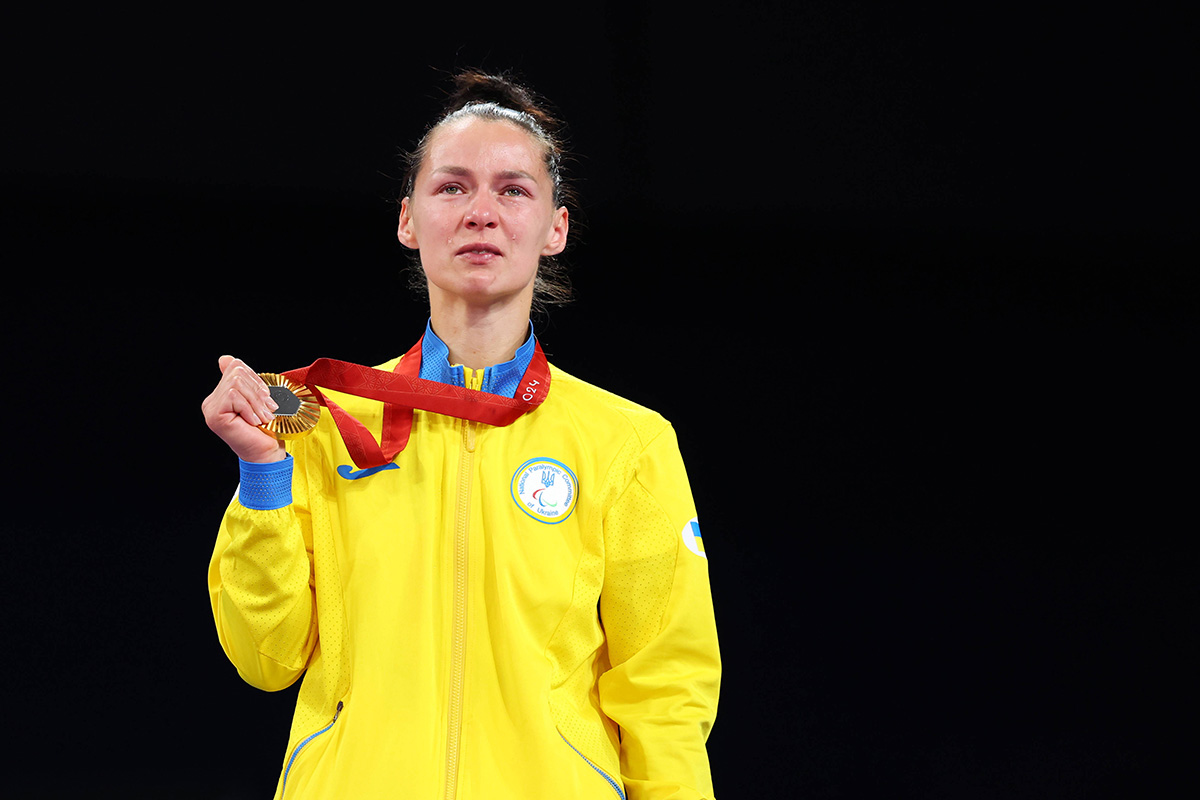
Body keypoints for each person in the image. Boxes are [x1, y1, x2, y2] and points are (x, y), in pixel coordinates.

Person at [203, 71, 720, 800]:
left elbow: (665, 693)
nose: (482, 212)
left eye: (513, 190)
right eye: (452, 188)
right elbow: (267, 657)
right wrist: (261, 469)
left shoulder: (627, 442)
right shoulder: (327, 421)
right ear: (408, 219)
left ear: (556, 227)